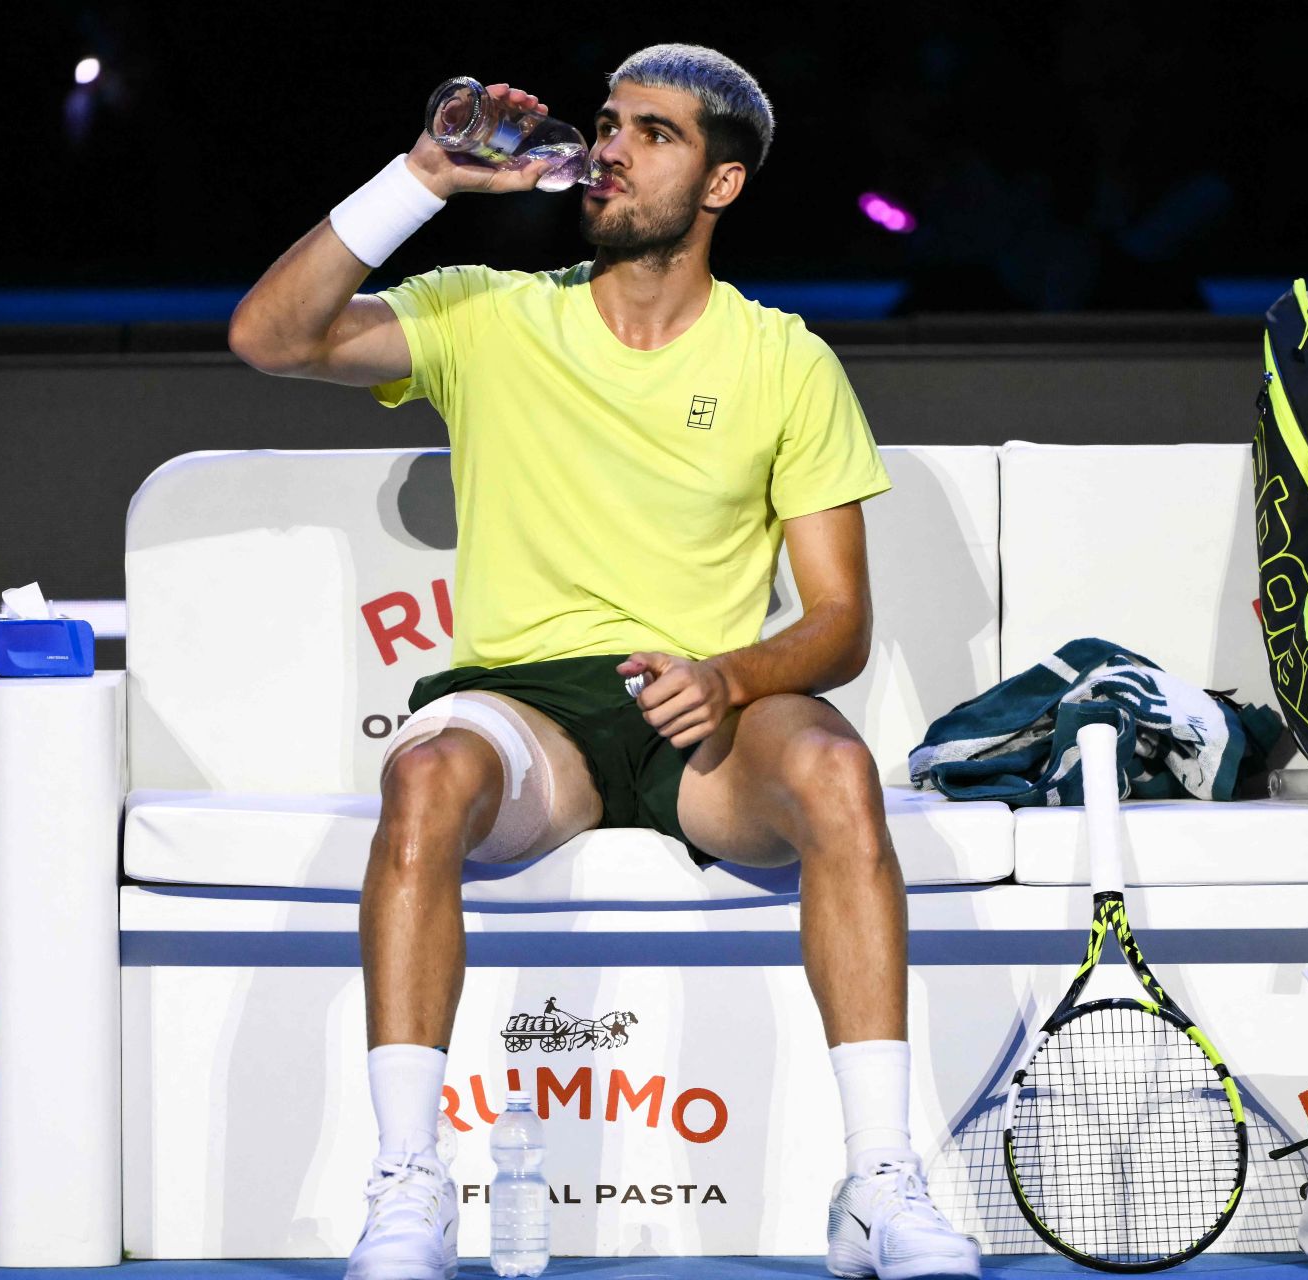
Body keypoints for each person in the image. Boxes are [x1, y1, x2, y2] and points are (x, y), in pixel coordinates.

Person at [228, 43, 980, 1280]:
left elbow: (839, 620)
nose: (611, 148)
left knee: (841, 772)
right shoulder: (488, 312)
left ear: (721, 185)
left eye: (654, 132)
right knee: (420, 781)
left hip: (702, 716)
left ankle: (880, 1180)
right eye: (606, 124)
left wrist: (733, 675)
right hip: (530, 714)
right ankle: (411, 1185)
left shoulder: (785, 359)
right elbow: (271, 336)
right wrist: (421, 176)